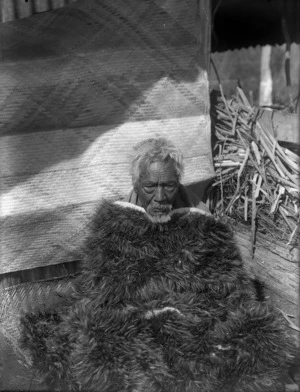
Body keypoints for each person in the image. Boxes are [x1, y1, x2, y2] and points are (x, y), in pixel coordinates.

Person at [125, 137, 210, 222]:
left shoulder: (201, 219)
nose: (160, 198)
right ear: (136, 186)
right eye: (150, 187)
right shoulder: (119, 220)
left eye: (169, 186)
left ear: (178, 183)